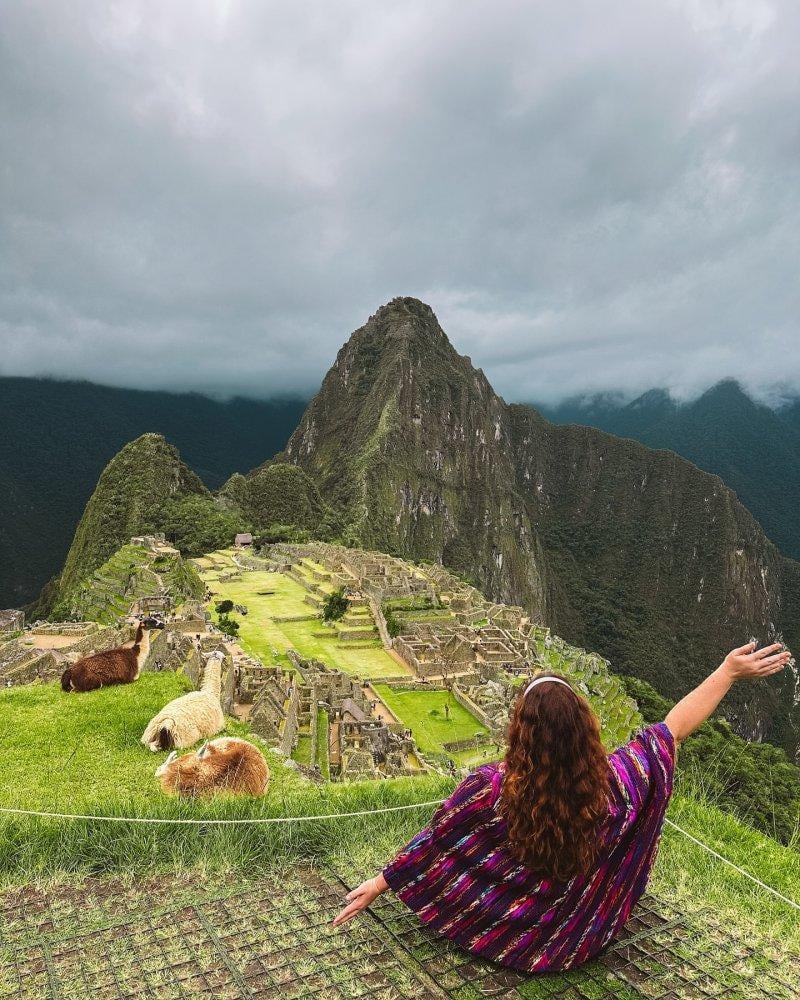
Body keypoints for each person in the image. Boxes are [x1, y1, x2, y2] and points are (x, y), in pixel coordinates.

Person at [333, 641, 791, 972]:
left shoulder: (489, 791)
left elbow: (438, 840)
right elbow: (671, 730)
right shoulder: (614, 788)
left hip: (503, 930)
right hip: (575, 938)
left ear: (520, 733)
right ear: (583, 730)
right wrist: (727, 672)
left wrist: (381, 881)